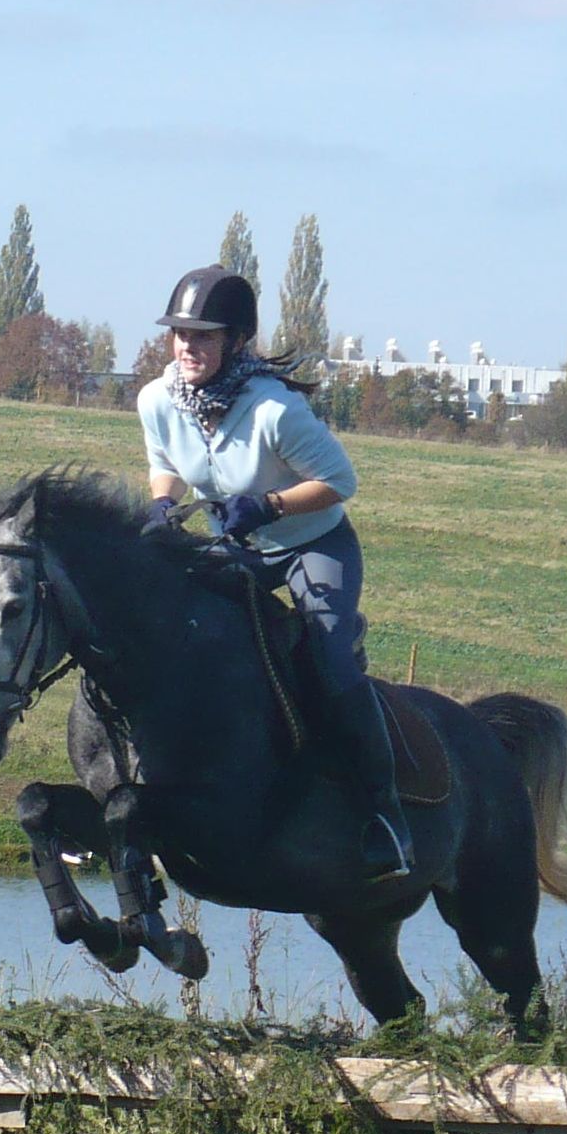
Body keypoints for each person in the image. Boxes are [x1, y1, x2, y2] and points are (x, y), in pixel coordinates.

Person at [137, 265, 414, 881]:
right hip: (236, 548)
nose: (187, 346)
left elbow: (341, 483)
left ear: (235, 341)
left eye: (203, 336)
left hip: (312, 546)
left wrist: (268, 504)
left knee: (331, 662)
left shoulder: (275, 411)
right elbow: (164, 463)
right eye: (180, 333)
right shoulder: (157, 400)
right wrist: (162, 502)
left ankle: (384, 815)